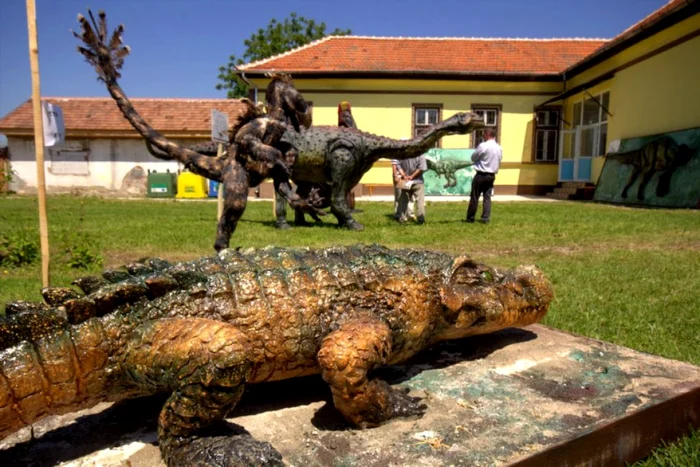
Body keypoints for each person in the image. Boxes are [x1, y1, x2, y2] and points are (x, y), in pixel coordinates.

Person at [466, 127, 502, 224]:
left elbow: (473, 157)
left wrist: (479, 160)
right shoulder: (499, 148)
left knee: (475, 196)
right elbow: (499, 161)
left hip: (481, 174)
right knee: (487, 197)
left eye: (483, 134)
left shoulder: (483, 146)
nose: (482, 136)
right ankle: (485, 218)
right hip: (491, 175)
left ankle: (470, 218)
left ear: (487, 134)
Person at [396, 154, 427, 224]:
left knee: (403, 201)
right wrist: (412, 176)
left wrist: (404, 175)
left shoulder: (403, 154)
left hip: (405, 181)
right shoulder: (420, 155)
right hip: (418, 181)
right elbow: (421, 168)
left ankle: (403, 218)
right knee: (420, 201)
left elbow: (398, 165)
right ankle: (421, 219)